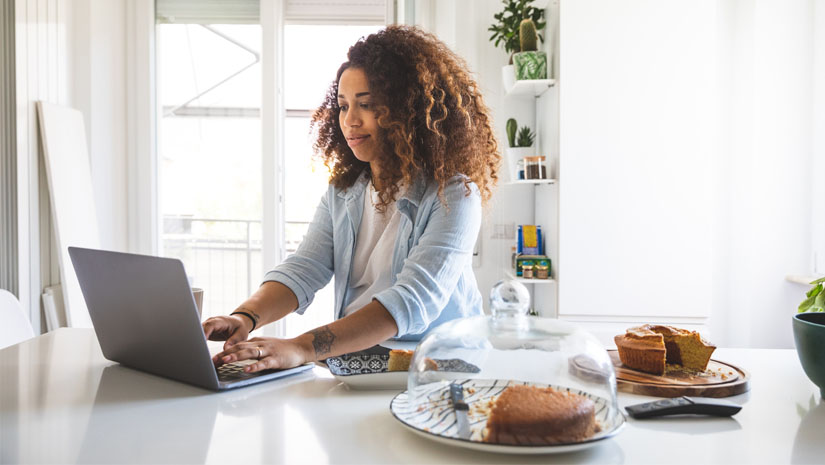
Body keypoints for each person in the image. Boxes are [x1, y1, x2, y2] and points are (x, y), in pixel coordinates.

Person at [203, 25, 500, 373]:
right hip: (363, 360)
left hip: (437, 367)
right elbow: (305, 267)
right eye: (343, 106)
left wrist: (300, 347)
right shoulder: (344, 191)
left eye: (367, 105)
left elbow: (411, 301)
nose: (350, 121)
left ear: (410, 110)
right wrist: (246, 317)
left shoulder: (455, 195)